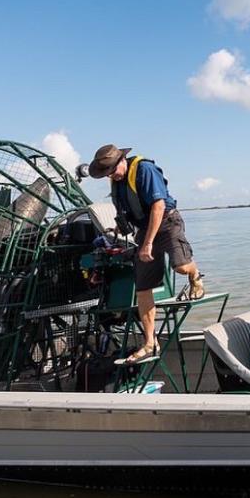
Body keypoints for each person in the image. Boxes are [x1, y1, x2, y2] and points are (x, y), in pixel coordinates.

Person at [88, 143, 206, 364]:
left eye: (112, 170)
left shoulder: (144, 170)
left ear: (122, 160)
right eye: (107, 174)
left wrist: (148, 243)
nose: (112, 175)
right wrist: (122, 228)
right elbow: (130, 212)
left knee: (180, 267)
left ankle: (195, 276)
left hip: (167, 222)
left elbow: (158, 206)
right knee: (143, 289)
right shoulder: (117, 181)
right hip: (144, 229)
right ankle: (150, 342)